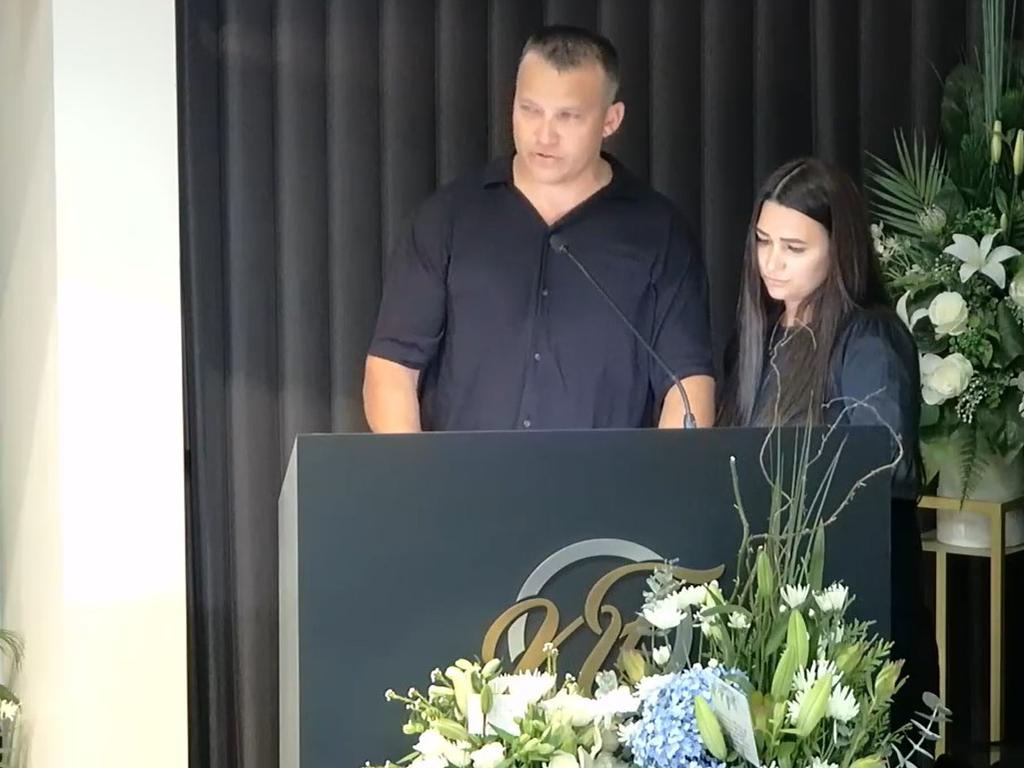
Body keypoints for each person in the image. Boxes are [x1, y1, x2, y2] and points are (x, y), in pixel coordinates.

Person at [363, 25, 714, 432]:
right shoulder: (448, 219)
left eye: (568, 116)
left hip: (606, 491)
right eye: (530, 110)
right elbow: (392, 369)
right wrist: (416, 488)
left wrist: (662, 491)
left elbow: (688, 388)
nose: (544, 134)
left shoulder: (660, 235)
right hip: (463, 489)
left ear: (611, 120)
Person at [717, 157, 939, 728]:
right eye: (763, 242)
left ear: (839, 249)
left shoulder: (867, 337)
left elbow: (882, 461)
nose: (771, 262)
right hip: (769, 607)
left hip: (852, 610)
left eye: (795, 248)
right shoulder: (759, 335)